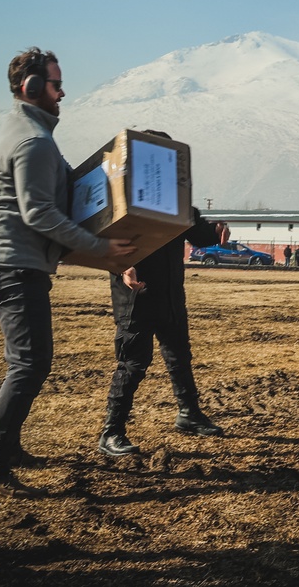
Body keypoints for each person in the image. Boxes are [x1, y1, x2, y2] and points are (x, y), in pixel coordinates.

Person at [0, 48, 136, 498]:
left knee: (25, 363)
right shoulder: (33, 141)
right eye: (56, 84)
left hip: (12, 262)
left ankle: (8, 448)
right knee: (30, 364)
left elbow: (61, 193)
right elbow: (40, 214)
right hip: (12, 264)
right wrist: (103, 248)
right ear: (31, 88)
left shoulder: (31, 133)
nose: (62, 92)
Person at [97, 131, 229, 457]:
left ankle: (189, 414)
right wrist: (122, 268)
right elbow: (104, 241)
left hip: (170, 294)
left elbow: (198, 231)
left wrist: (216, 228)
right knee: (133, 362)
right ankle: (111, 432)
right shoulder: (122, 198)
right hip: (136, 295)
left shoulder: (175, 200)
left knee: (179, 355)